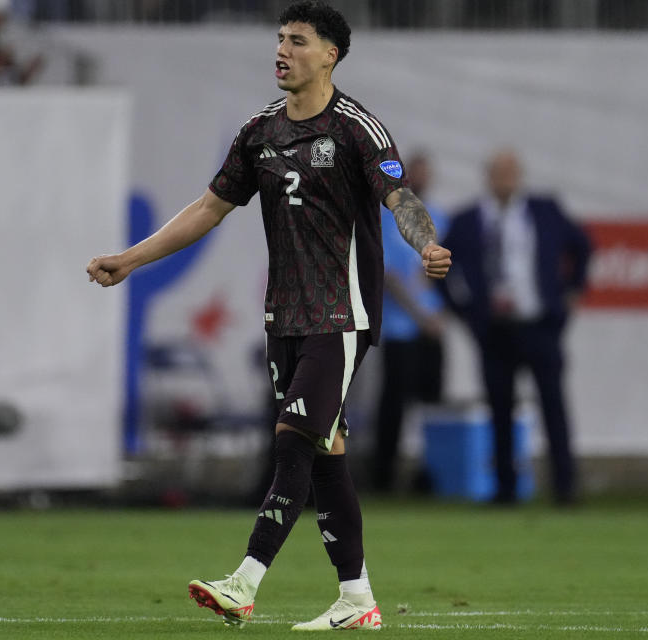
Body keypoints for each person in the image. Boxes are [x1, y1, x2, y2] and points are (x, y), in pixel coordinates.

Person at [87, 1, 451, 630]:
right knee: (328, 455)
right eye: (279, 39)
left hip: (342, 315)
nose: (282, 51)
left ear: (330, 55)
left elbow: (400, 196)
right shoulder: (259, 132)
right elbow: (207, 209)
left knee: (293, 441)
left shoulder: (357, 129)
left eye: (298, 41)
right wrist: (131, 259)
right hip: (283, 317)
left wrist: (426, 244)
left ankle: (244, 581)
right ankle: (357, 599)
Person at [439, 148, 590, 505]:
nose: (505, 180)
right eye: (499, 173)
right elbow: (440, 266)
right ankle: (505, 488)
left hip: (539, 324)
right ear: (488, 177)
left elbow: (582, 246)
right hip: (494, 329)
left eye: (511, 173)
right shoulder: (467, 220)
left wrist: (572, 291)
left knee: (553, 404)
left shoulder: (544, 211)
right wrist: (463, 311)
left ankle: (565, 486)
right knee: (499, 409)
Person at [373, 150, 449, 493]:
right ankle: (385, 475)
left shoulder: (441, 218)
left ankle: (430, 474)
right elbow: (390, 276)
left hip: (431, 327)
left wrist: (434, 316)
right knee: (394, 403)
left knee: (433, 405)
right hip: (401, 328)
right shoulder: (387, 219)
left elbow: (446, 270)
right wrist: (420, 316)